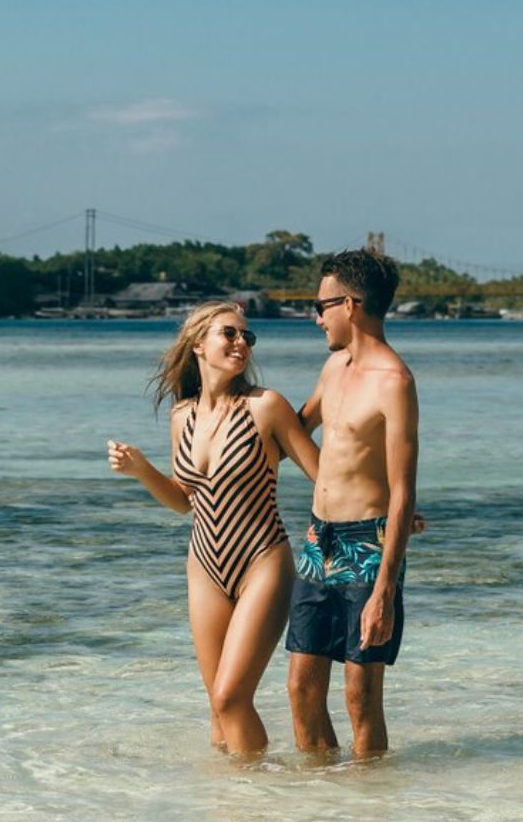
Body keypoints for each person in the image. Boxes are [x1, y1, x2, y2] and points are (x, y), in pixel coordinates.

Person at [108, 301, 319, 757]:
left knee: (231, 697)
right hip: (204, 565)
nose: (242, 343)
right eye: (230, 334)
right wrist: (142, 470)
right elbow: (184, 501)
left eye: (247, 337)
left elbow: (326, 477)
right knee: (217, 708)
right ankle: (230, 813)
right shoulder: (182, 415)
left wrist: (387, 512)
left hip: (262, 560)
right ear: (199, 343)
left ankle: (260, 800)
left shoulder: (267, 407)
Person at [287, 248, 419, 759]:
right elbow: (294, 431)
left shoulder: (395, 383)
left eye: (321, 305)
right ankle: (323, 808)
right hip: (320, 538)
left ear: (352, 304)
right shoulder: (333, 368)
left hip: (369, 544)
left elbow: (403, 486)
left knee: (360, 697)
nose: (315, 316)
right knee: (301, 688)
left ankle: (368, 816)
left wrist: (385, 586)